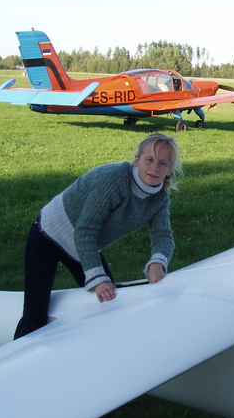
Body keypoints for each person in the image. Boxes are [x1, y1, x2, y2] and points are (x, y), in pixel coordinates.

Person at [14, 132, 182, 339]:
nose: (154, 168)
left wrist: (158, 263)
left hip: (83, 246)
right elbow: (85, 230)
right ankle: (19, 360)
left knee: (110, 303)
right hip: (48, 234)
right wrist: (98, 279)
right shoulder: (113, 179)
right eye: (149, 160)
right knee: (35, 313)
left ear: (169, 170)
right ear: (137, 160)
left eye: (162, 163)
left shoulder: (159, 198)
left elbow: (163, 235)